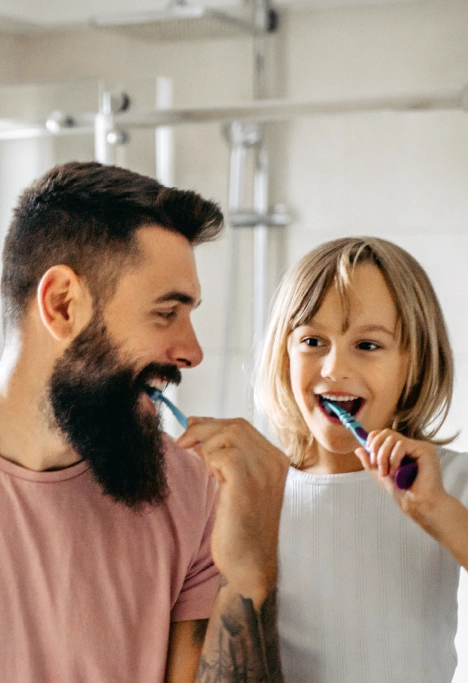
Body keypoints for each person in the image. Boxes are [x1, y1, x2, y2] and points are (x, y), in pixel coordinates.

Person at [0, 161, 290, 682]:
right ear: (63, 305)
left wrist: (251, 571)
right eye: (166, 313)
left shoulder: (191, 489)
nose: (192, 352)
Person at [255, 237, 468, 682]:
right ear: (282, 355)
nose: (333, 368)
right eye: (313, 340)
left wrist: (438, 510)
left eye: (368, 345)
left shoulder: (449, 482)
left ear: (415, 363)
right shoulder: (259, 488)